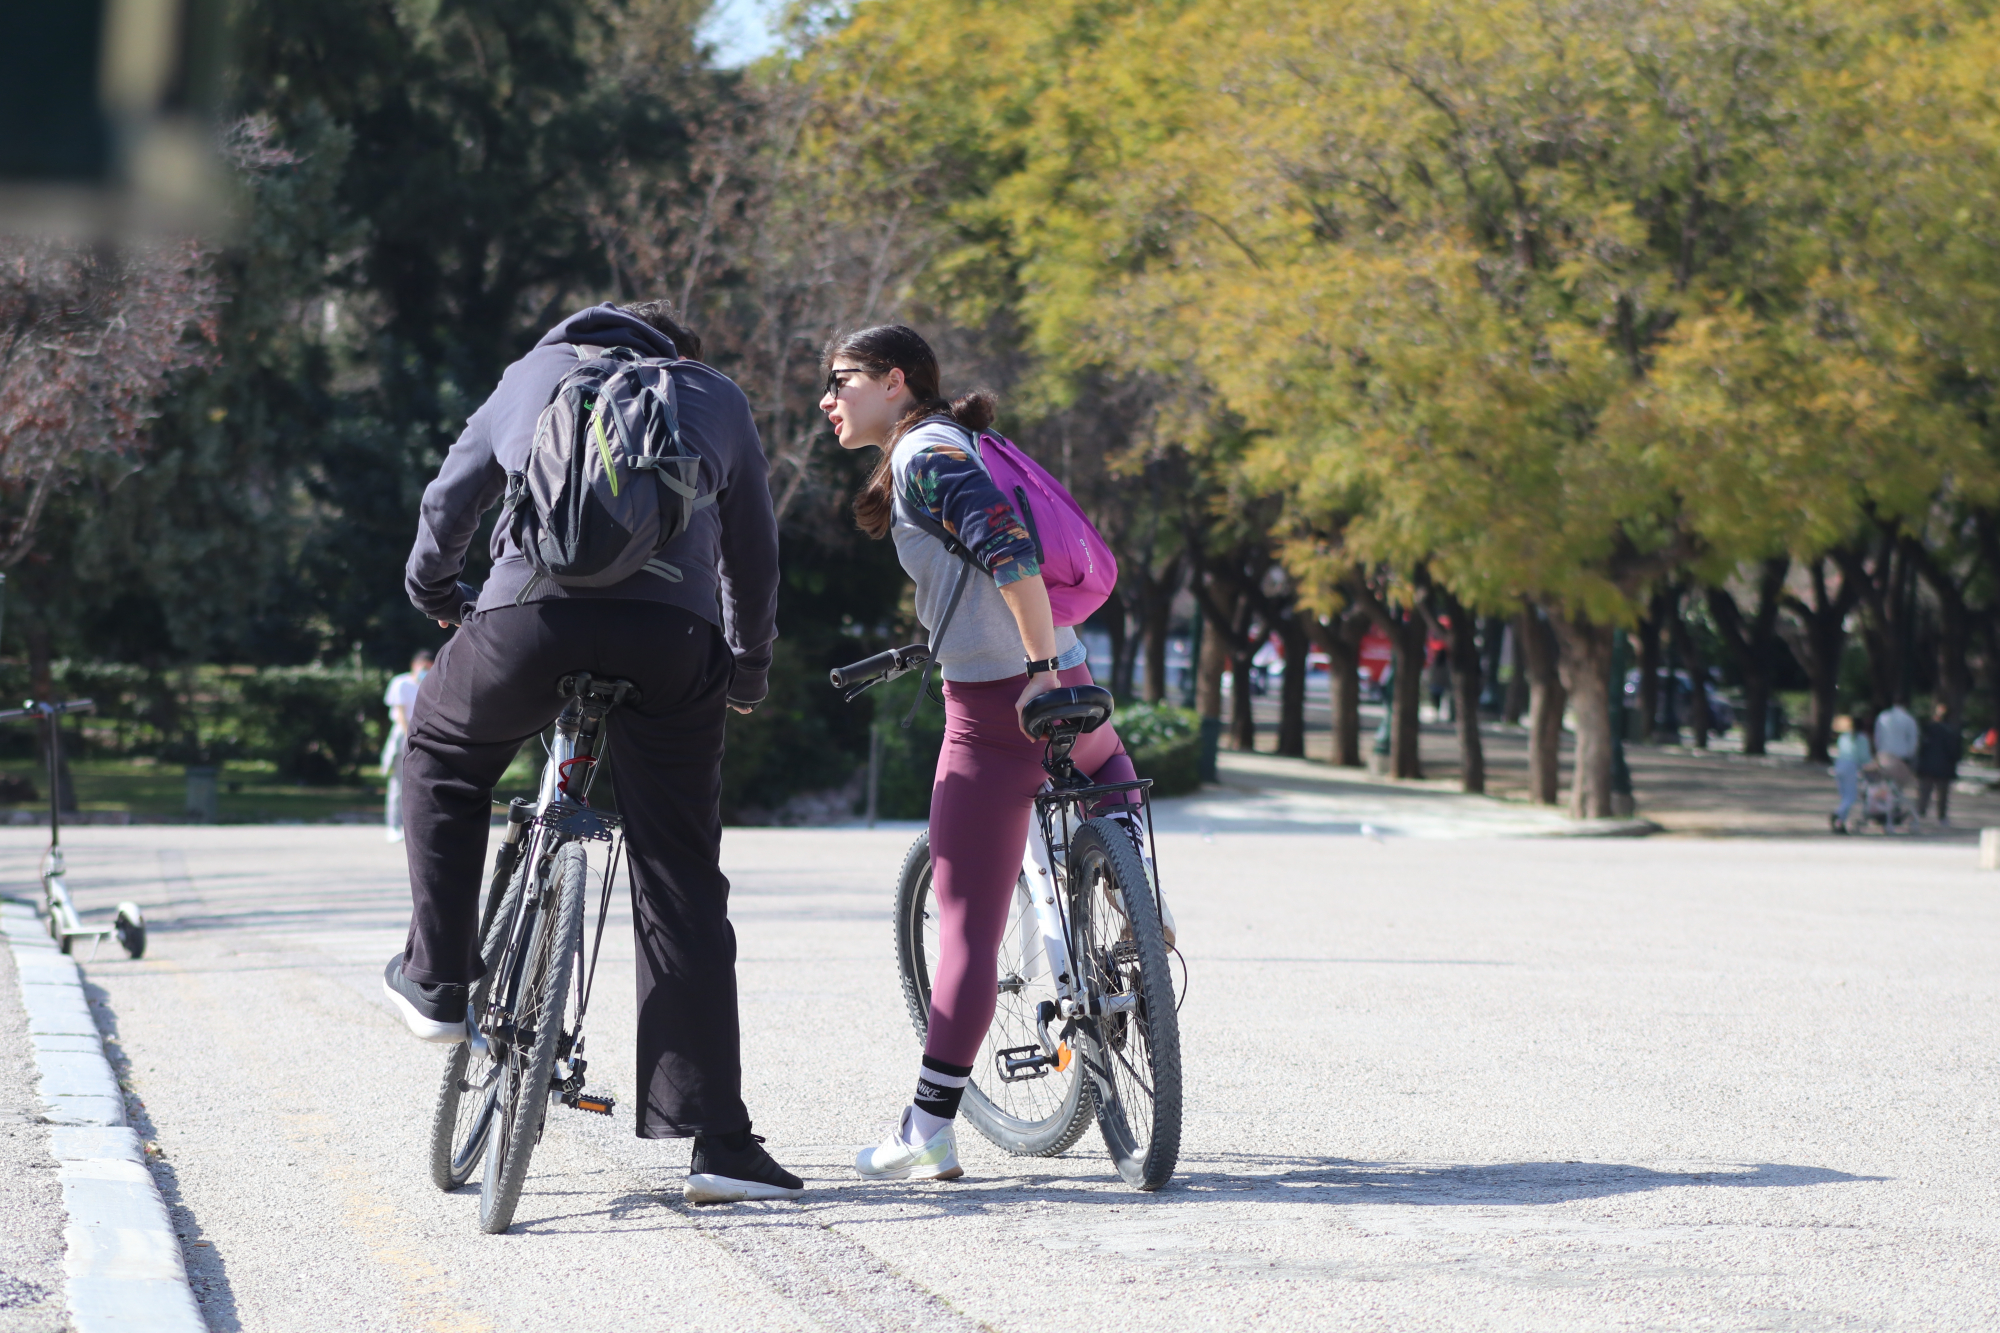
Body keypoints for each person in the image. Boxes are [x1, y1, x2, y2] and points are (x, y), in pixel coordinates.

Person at [377, 300, 802, 1205]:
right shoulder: (714, 396)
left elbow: (447, 504)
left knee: (443, 757)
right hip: (675, 641)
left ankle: (439, 980)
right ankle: (718, 1143)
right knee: (679, 873)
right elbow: (754, 553)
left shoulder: (531, 375)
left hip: (527, 619)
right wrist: (748, 668)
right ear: (674, 353)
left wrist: (437, 592)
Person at [820, 325, 1142, 1183]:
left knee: (965, 930)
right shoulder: (961, 441)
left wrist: (1032, 669)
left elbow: (1010, 554)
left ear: (895, 382)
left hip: (1001, 705)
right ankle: (1135, 905)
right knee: (1110, 765)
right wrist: (1054, 665)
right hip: (1071, 677)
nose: (828, 400)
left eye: (841, 380)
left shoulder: (926, 454)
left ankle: (929, 1126)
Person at [381, 649, 433, 843]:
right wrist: (409, 735)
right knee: (398, 783)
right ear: (415, 666)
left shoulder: (431, 684)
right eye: (424, 668)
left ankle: (415, 827)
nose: (426, 671)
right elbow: (400, 713)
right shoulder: (400, 683)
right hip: (404, 734)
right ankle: (393, 827)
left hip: (424, 734)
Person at [1916, 702, 1960, 826]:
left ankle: (1920, 813)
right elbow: (1955, 751)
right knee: (1942, 794)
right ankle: (1941, 816)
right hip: (1944, 767)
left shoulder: (1928, 728)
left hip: (1928, 766)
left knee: (1924, 792)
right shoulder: (1952, 731)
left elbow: (1921, 748)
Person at [1831, 713, 1870, 834]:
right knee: (1851, 797)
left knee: (1844, 796)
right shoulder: (1862, 738)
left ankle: (1841, 823)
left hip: (1839, 765)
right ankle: (1838, 814)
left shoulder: (1843, 737)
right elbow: (1864, 757)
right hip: (1851, 767)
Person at [1873, 700, 1918, 788]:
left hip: (1884, 755)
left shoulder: (1883, 717)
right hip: (1901, 757)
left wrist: (1878, 750)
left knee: (1884, 785)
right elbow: (1913, 739)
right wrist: (1911, 754)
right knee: (1898, 786)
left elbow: (1877, 736)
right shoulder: (1909, 719)